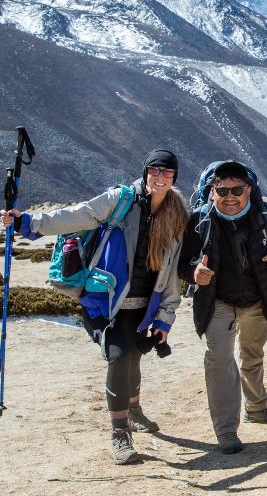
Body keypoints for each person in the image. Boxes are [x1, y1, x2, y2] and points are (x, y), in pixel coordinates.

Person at [3, 150, 188, 464]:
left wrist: (165, 317)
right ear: (146, 172)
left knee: (135, 356)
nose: (160, 177)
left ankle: (134, 410)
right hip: (105, 302)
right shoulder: (119, 201)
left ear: (174, 178)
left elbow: (170, 275)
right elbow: (76, 215)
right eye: (155, 170)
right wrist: (27, 222)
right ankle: (120, 434)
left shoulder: (175, 215)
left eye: (167, 173)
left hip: (142, 307)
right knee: (120, 355)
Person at [178, 161, 267, 454]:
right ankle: (227, 429)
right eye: (222, 190)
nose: (230, 196)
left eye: (236, 189)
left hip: (256, 299)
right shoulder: (200, 220)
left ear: (248, 190)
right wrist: (194, 273)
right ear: (211, 191)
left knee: (253, 354)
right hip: (218, 300)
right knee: (219, 358)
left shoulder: (266, 215)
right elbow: (183, 262)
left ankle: (256, 407)